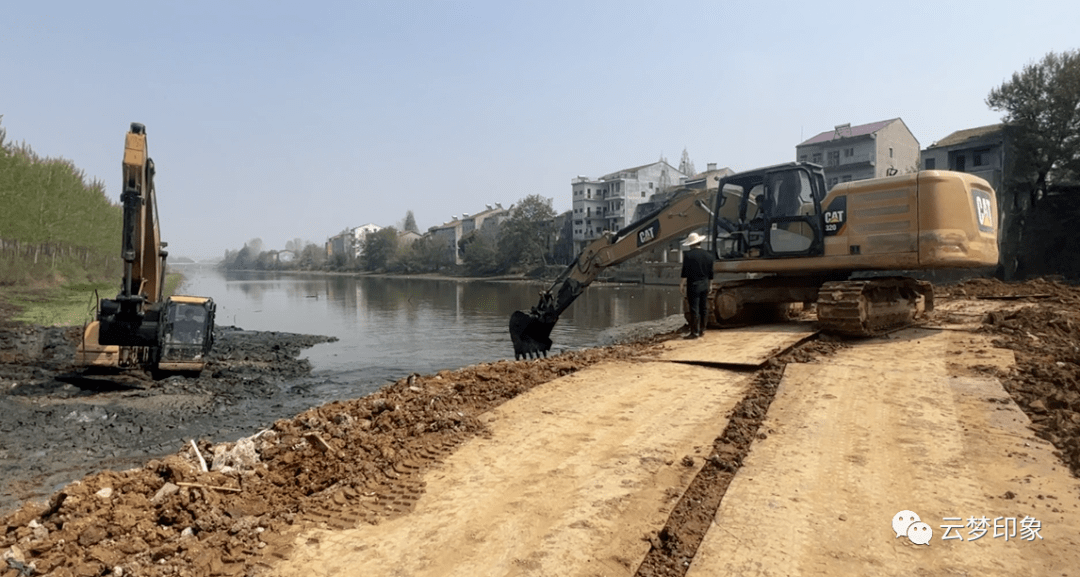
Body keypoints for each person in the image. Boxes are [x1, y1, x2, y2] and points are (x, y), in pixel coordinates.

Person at [680, 232, 714, 339]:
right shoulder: (709, 256)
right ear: (700, 242)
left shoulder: (688, 255)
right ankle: (702, 330)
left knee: (694, 309)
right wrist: (710, 285)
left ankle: (694, 332)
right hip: (704, 284)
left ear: (691, 244)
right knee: (703, 307)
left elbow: (685, 273)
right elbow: (711, 273)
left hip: (693, 285)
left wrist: (681, 285)